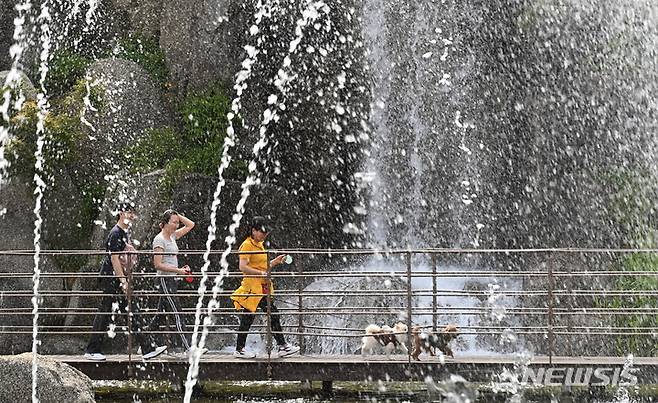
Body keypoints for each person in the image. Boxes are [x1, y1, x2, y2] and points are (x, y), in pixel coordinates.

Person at [84, 202, 167, 361]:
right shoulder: (115, 233)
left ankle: (147, 348)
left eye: (133, 213)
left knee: (130, 310)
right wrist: (123, 281)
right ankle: (92, 349)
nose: (132, 216)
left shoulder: (123, 232)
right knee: (106, 311)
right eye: (129, 213)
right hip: (111, 278)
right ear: (121, 213)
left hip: (117, 278)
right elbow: (114, 259)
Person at [230, 216, 300, 358]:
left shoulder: (259, 244)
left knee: (263, 315)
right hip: (252, 288)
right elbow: (243, 267)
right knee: (257, 316)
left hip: (261, 287)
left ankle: (281, 346)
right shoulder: (247, 245)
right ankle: (280, 346)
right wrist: (262, 273)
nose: (265, 234)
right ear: (253, 230)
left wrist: (275, 262)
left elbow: (262, 267)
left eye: (266, 232)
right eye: (262, 231)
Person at [149, 209, 200, 354]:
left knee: (159, 315)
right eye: (174, 222)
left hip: (172, 279)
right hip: (164, 279)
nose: (177, 225)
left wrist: (177, 215)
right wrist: (178, 271)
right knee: (177, 313)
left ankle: (144, 341)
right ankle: (189, 347)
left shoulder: (172, 236)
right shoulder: (159, 240)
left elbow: (191, 225)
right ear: (164, 223)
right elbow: (157, 264)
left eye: (178, 222)